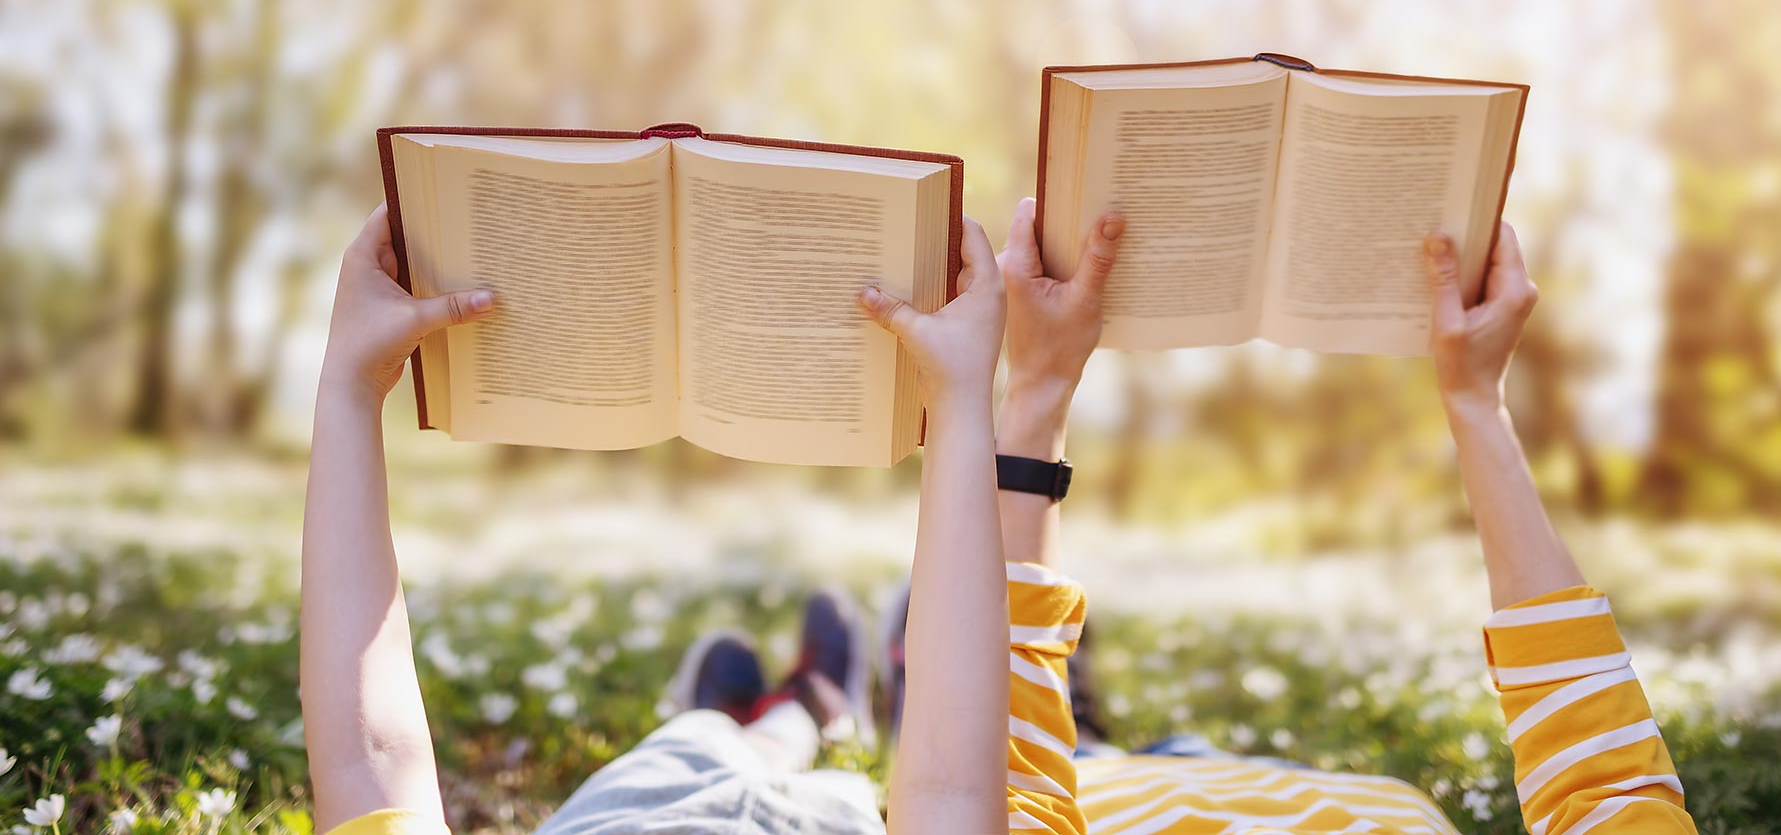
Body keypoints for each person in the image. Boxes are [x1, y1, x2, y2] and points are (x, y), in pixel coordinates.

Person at [298, 205, 1015, 835]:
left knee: (694, 742)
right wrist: (957, 402)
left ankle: (748, 722)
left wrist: (352, 386)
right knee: (791, 766)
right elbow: (948, 786)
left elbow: (375, 757)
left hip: (634, 814)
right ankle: (808, 716)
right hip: (822, 819)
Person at [990, 197, 1698, 834]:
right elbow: (1609, 794)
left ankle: (1062, 723)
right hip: (1329, 797)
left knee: (1036, 746)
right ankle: (1064, 716)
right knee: (1060, 740)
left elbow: (1003, 794)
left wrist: (1039, 388)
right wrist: (1476, 402)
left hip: (1113, 796)